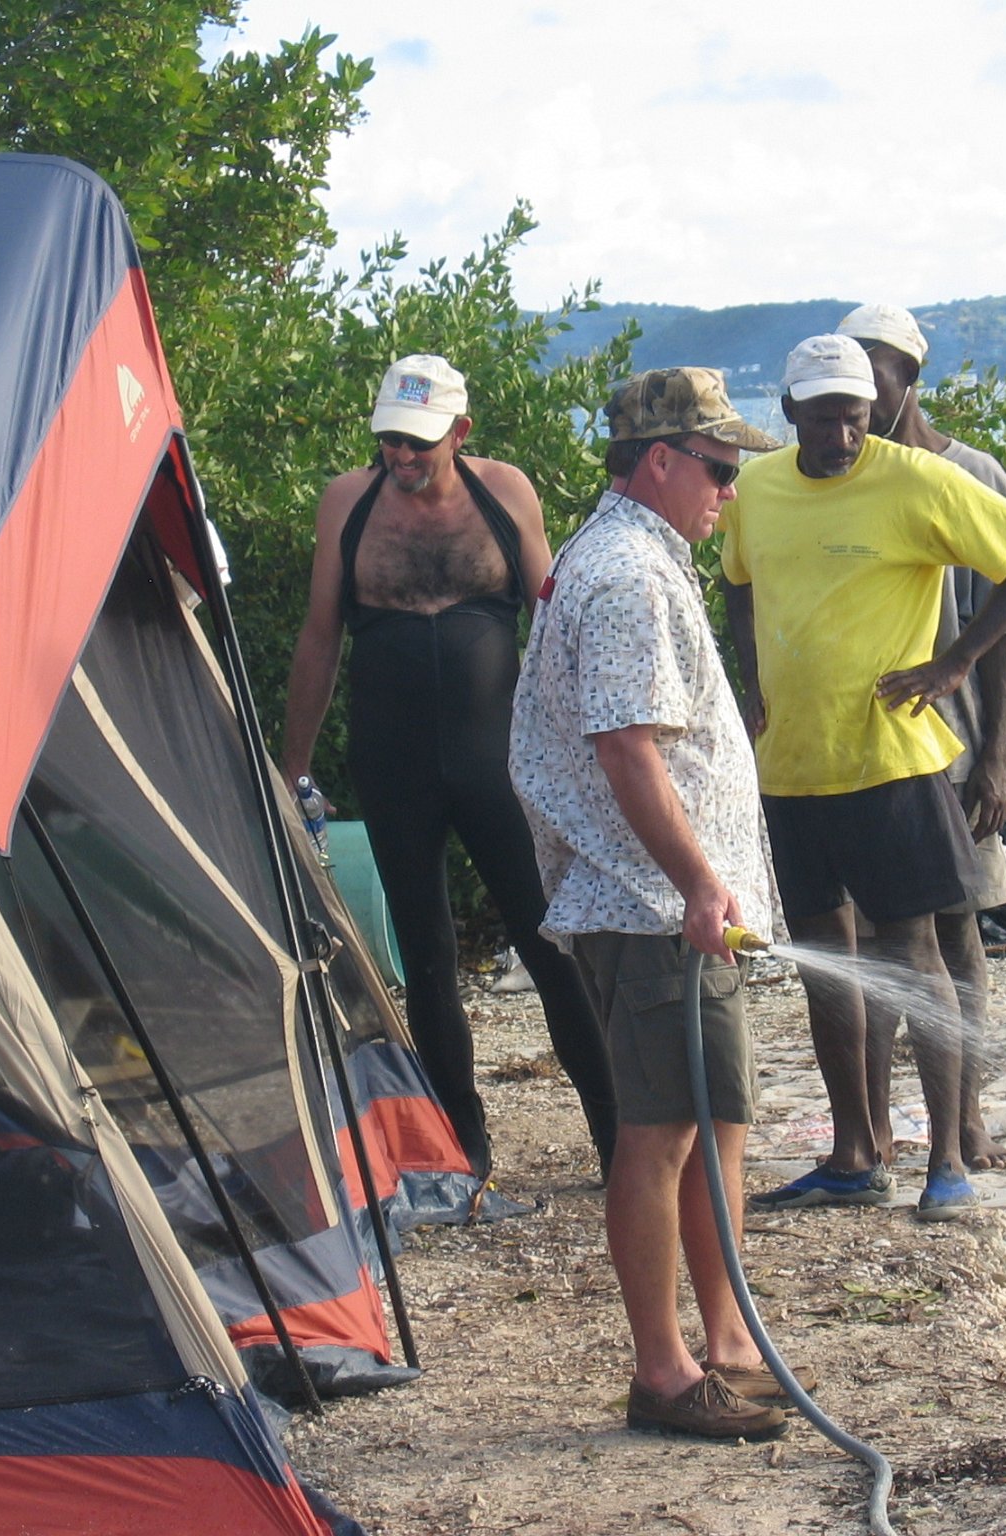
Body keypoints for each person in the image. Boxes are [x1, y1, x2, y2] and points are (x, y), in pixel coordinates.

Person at [720, 334, 1006, 1220]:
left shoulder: (913, 478)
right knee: (828, 964)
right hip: (791, 769)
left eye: (855, 416)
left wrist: (955, 664)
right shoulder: (755, 488)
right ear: (787, 412)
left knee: (914, 955)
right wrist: (750, 681)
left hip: (893, 765)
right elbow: (739, 583)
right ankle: (853, 1153)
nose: (840, 434)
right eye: (823, 417)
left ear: (875, 411)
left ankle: (946, 1163)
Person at [509, 367, 787, 1441]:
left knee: (716, 1119)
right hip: (645, 906)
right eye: (718, 468)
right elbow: (624, 750)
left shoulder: (639, 556)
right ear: (659, 460)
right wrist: (695, 881)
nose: (729, 489)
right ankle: (663, 1373)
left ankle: (725, 1343)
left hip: (670, 905)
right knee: (660, 1129)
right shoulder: (624, 571)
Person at [282, 353, 618, 1187]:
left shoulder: (504, 493)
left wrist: (595, 752)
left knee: (550, 942)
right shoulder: (347, 505)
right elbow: (321, 637)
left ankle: (619, 1134)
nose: (402, 457)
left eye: (419, 443)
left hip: (497, 759)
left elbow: (558, 624)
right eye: (390, 440)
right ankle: (463, 1147)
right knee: (426, 957)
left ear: (460, 433)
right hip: (392, 757)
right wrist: (291, 770)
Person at [836, 302, 1006, 1172]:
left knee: (956, 928)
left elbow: (1005, 622)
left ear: (909, 381)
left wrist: (996, 756)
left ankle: (962, 1118)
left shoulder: (966, 473)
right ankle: (872, 1126)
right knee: (864, 937)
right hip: (855, 750)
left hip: (952, 745)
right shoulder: (832, 476)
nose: (862, 391)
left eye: (877, 373)